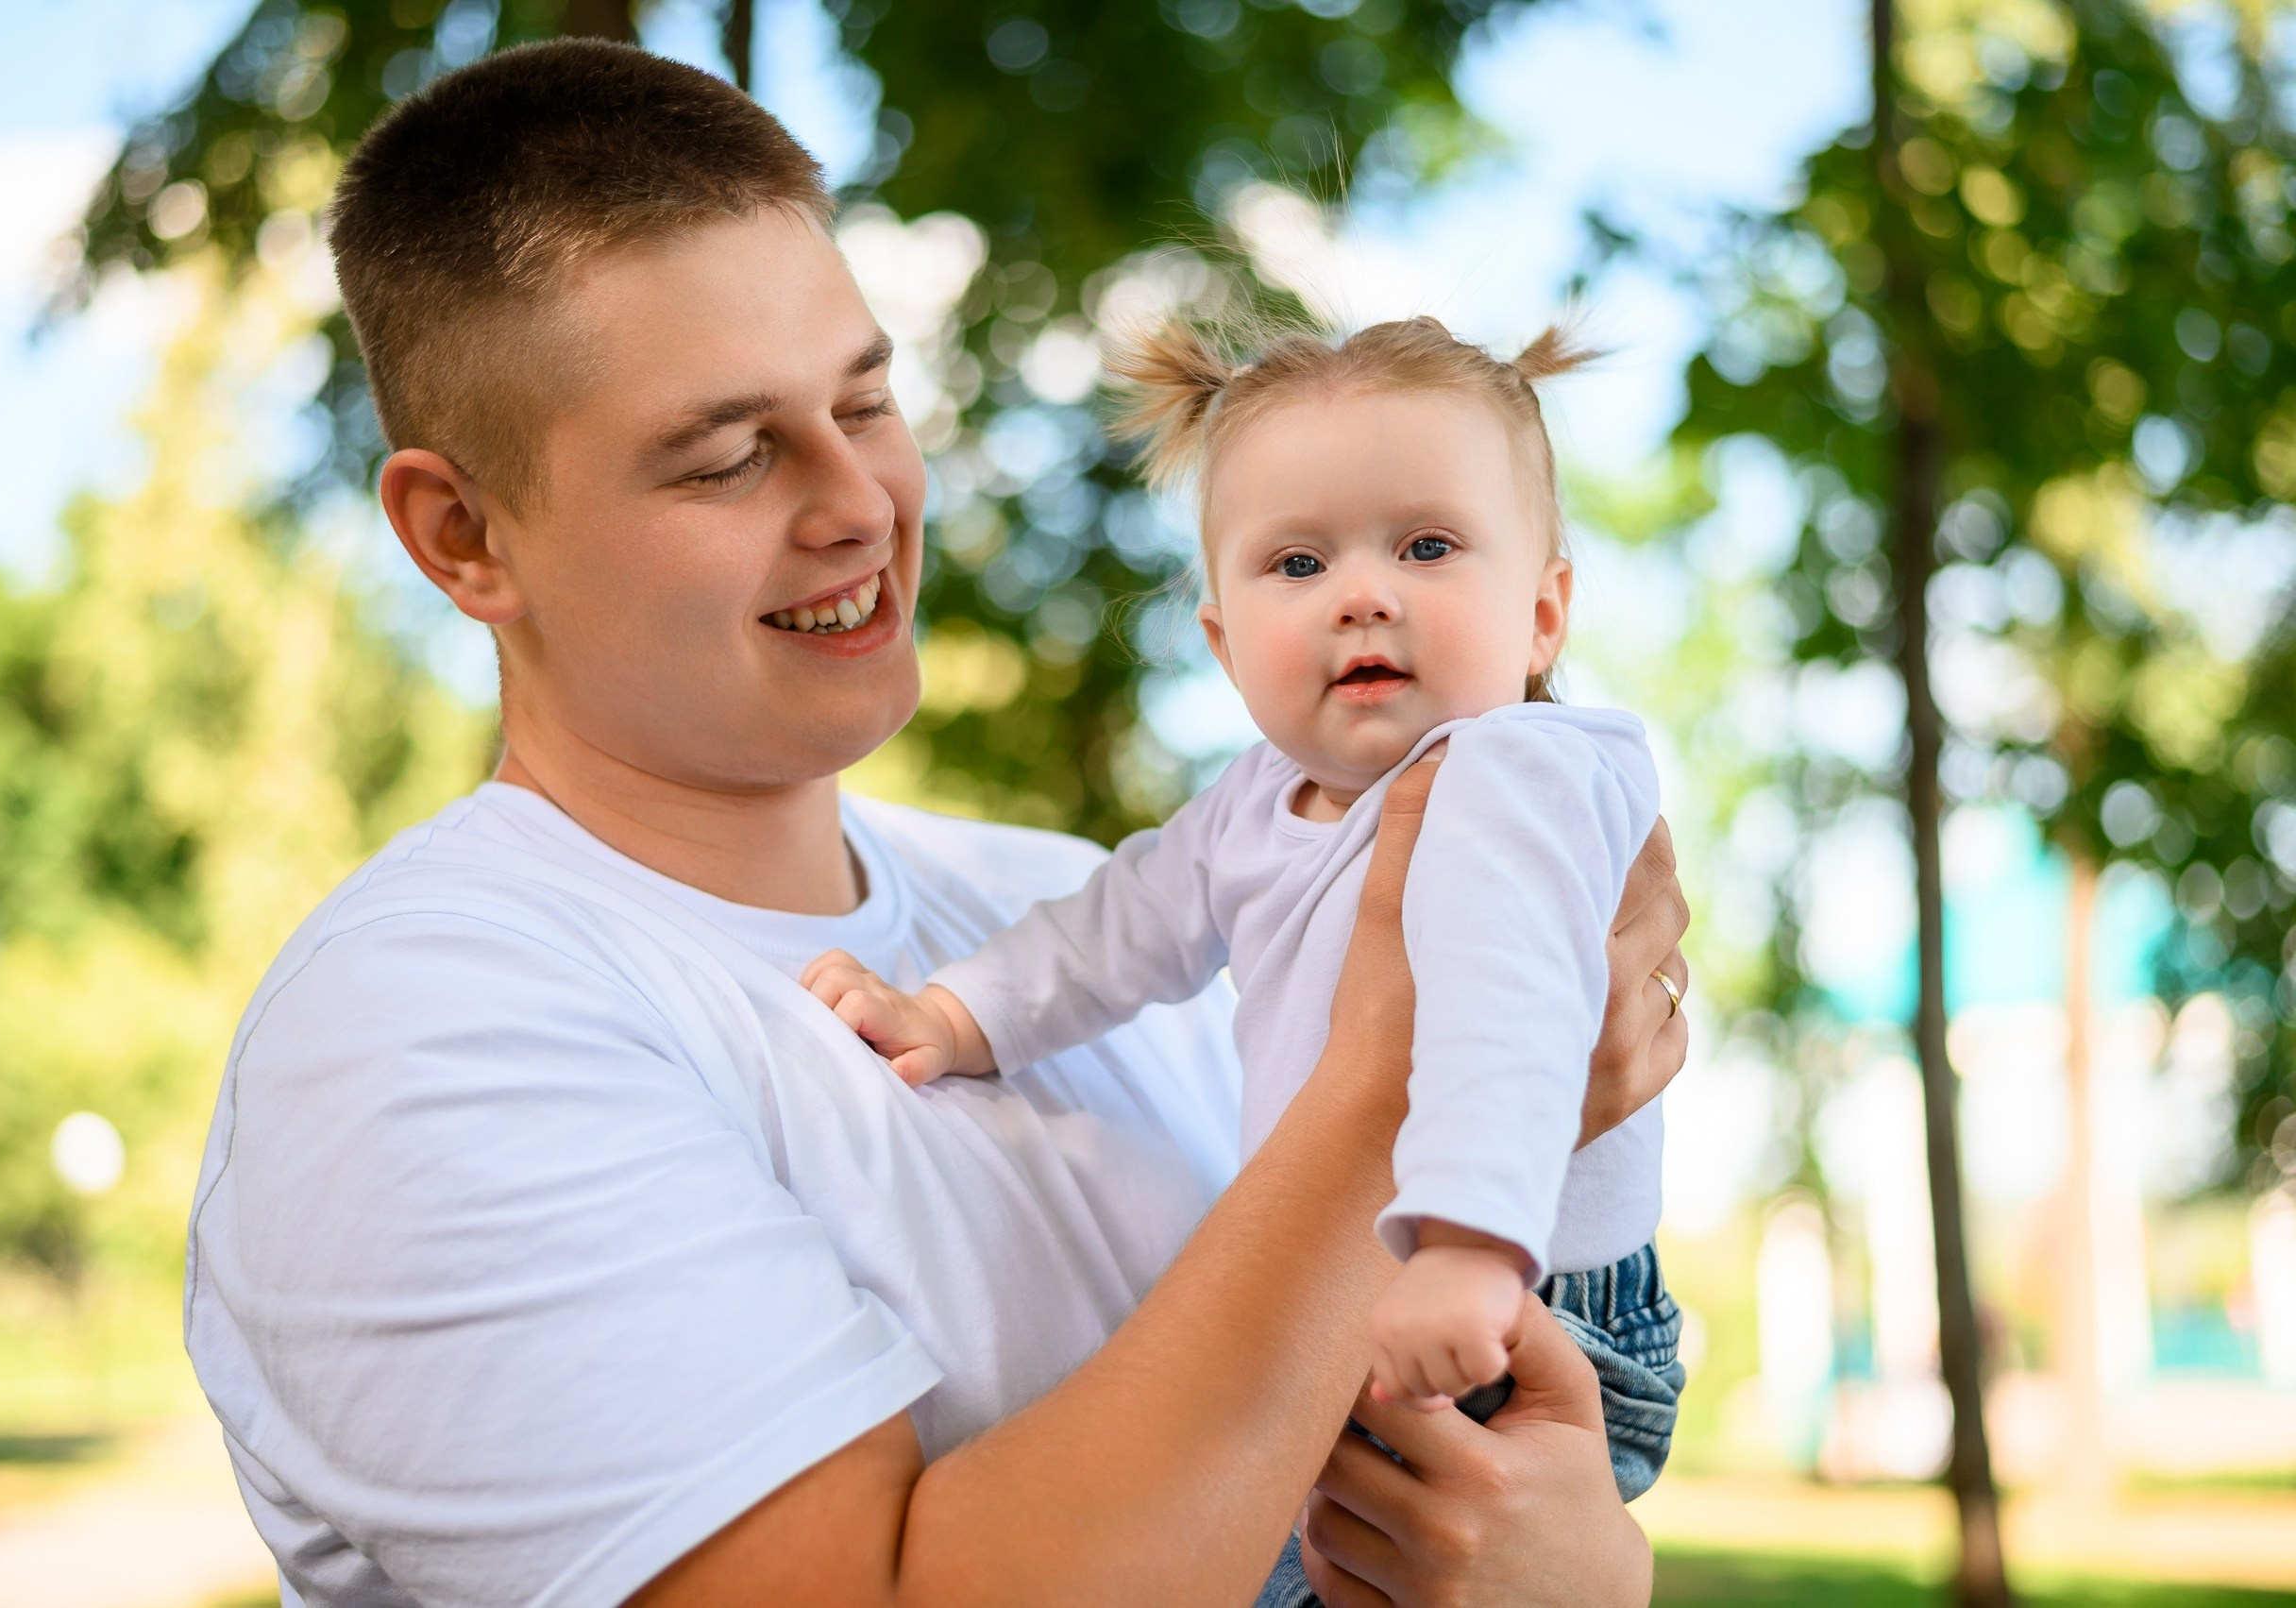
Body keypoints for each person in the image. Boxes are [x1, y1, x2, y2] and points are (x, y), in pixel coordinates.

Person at [180, 39, 1691, 1608]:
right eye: (729, 454)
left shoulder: (1048, 911)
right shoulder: (422, 1033)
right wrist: (1412, 1059)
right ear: (464, 533)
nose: (859, 501)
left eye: (865, 402)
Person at [802, 316, 1683, 1499]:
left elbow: (1511, 1006)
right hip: (1373, 1271)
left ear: (1541, 612)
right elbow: (1113, 930)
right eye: (1299, 565)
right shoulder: (1255, 803)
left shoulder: (1520, 771)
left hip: (1528, 1292)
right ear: (1222, 642)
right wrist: (956, 1016)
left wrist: (1469, 1242)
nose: (1362, 596)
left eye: (1426, 545)